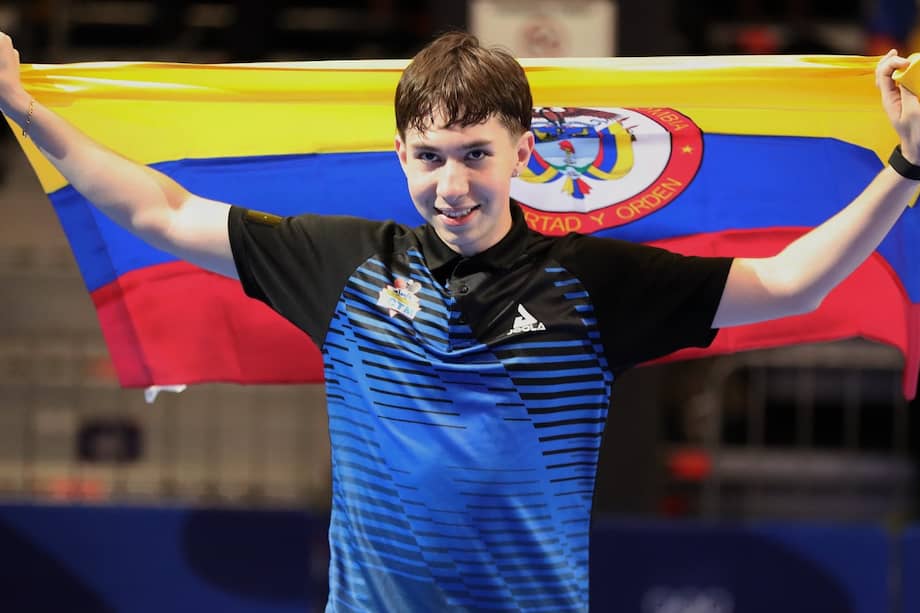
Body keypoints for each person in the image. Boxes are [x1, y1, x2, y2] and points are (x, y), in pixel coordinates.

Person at [0, 29, 917, 612]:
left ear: (526, 146)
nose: (452, 183)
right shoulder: (342, 263)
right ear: (399, 154)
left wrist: (904, 170)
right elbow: (156, 211)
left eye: (477, 153)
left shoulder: (596, 283)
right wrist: (24, 108)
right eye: (430, 155)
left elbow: (792, 281)